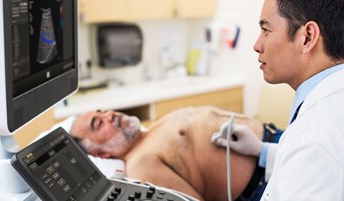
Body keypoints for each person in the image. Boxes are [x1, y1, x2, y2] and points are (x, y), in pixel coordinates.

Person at [225, 0, 344, 200]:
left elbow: (312, 155)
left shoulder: (313, 137)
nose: (257, 45)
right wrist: (262, 150)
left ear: (307, 37)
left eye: (266, 30)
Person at [69, 106, 282, 201]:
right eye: (99, 123)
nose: (109, 115)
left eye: (103, 111)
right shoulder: (140, 165)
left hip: (276, 145)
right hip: (266, 181)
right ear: (101, 154)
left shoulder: (149, 131)